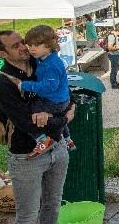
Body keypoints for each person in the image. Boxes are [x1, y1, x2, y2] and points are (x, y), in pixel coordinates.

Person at [0, 30, 76, 224]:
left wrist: (66, 107)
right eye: (16, 46)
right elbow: (27, 122)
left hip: (58, 148)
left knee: (52, 202)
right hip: (27, 157)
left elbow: (64, 90)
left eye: (25, 42)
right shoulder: (4, 84)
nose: (24, 47)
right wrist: (64, 118)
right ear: (2, 54)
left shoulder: (41, 62)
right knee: (26, 216)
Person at [6, 26, 74, 154]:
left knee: (30, 111)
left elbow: (50, 86)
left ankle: (41, 139)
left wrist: (25, 85)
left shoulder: (51, 64)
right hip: (61, 99)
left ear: (49, 45)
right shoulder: (44, 59)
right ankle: (68, 139)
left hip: (55, 101)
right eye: (29, 44)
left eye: (36, 45)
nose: (31, 49)